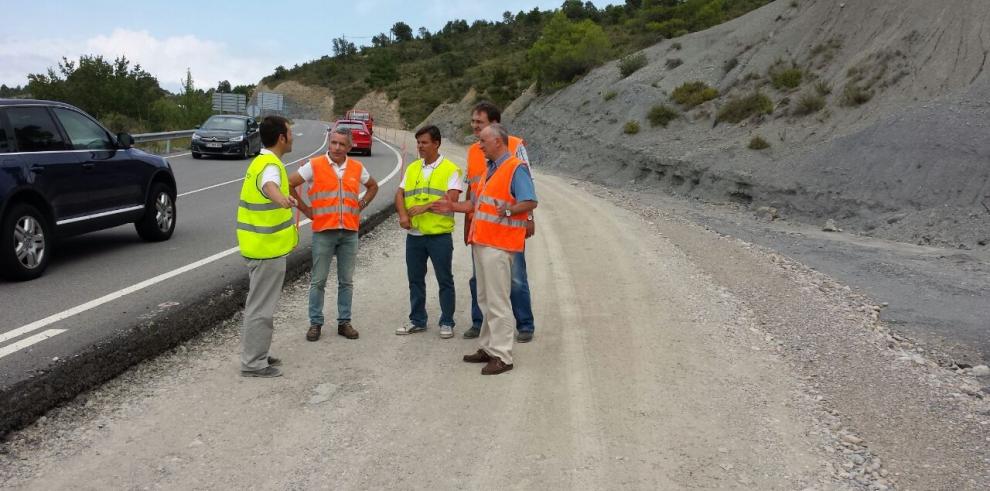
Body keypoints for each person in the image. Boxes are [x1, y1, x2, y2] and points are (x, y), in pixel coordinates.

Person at [289, 127, 379, 342]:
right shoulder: (315, 165)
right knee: (318, 281)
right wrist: (305, 209)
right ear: (329, 143)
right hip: (324, 231)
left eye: (341, 144)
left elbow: (373, 186)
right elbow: (290, 184)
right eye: (334, 143)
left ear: (349, 146)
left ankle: (344, 322)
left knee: (346, 281)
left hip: (349, 232)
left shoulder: (357, 167)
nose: (337, 147)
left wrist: (361, 204)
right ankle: (315, 323)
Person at [460, 123, 537, 375]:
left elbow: (529, 200)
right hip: (483, 242)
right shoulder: (490, 170)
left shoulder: (515, 168)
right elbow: (477, 204)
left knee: (498, 302)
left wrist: (508, 211)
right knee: (484, 299)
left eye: (483, 141)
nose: (479, 145)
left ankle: (503, 355)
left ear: (498, 142)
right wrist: (449, 206)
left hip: (499, 245)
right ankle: (487, 347)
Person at [235, 115, 299, 378]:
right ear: (281, 138)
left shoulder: (260, 161)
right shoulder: (270, 166)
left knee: (259, 304)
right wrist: (281, 199)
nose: (293, 137)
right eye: (290, 132)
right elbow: (269, 185)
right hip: (265, 249)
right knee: (261, 307)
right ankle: (253, 363)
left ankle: (258, 352)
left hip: (260, 247)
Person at [394, 125, 463, 338]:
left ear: (436, 143)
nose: (420, 147)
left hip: (439, 235)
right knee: (415, 279)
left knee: (444, 279)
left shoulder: (451, 169)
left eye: (424, 143)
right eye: (418, 143)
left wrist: (424, 207)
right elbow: (400, 193)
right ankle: (417, 320)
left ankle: (447, 321)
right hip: (414, 235)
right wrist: (403, 216)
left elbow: (452, 199)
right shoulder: (413, 168)